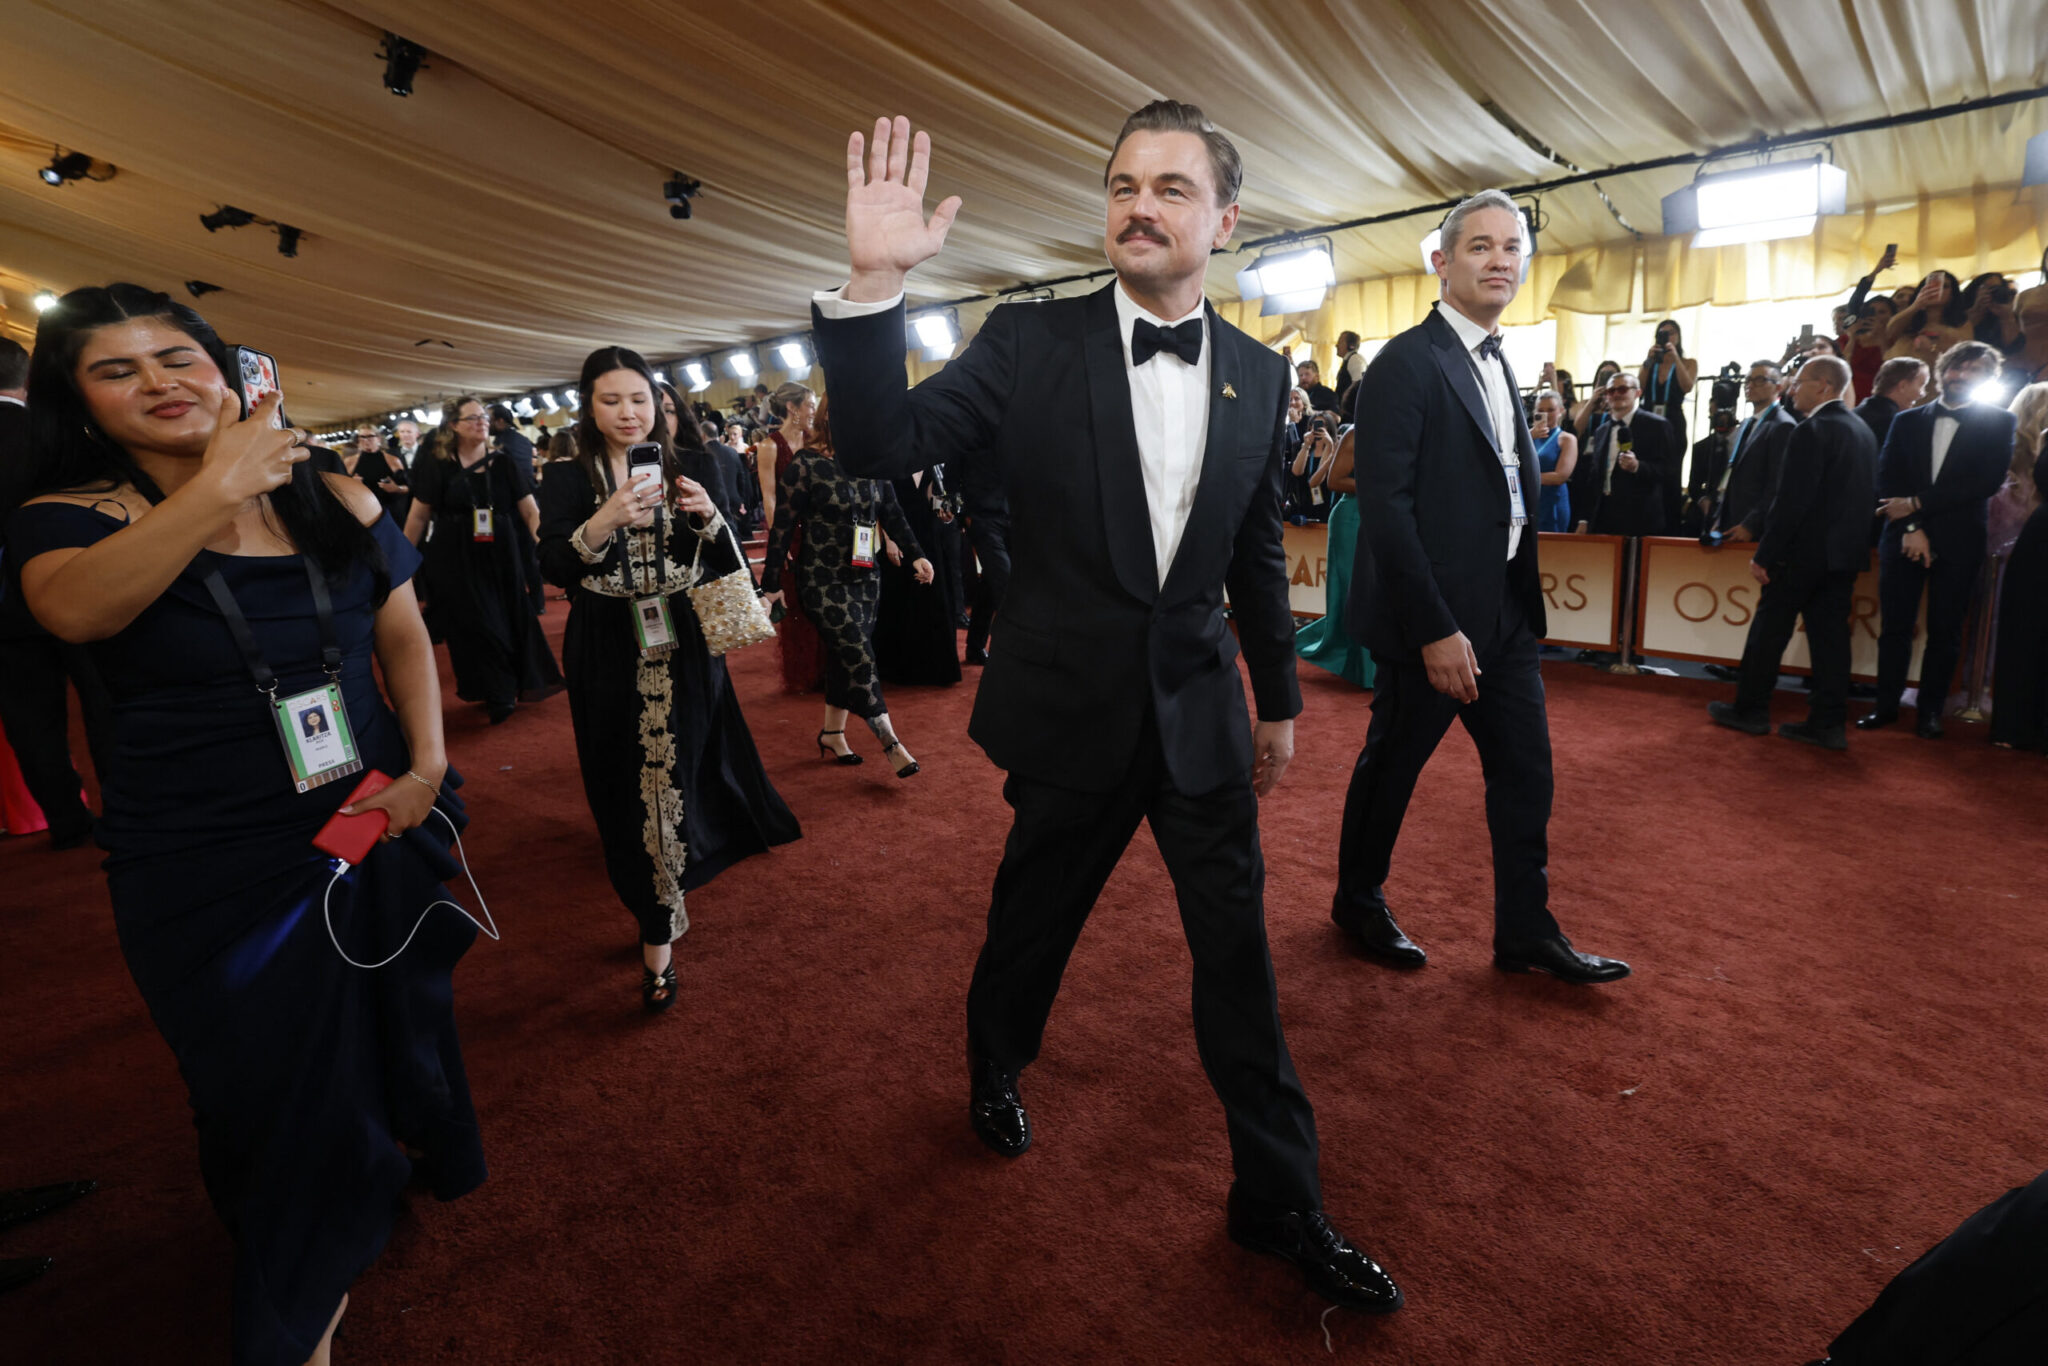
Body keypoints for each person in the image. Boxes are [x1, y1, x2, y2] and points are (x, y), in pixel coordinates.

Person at [810, 104, 1401, 1314]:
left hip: (1200, 716)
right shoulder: (1027, 340)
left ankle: (1276, 1197)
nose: (1139, 204)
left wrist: (1276, 698)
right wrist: (875, 287)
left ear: (1223, 222)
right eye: (1124, 184)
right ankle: (994, 1058)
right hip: (1066, 709)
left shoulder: (1259, 371)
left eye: (1171, 188)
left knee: (1238, 961)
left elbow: (1251, 552)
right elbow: (880, 442)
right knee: (1033, 926)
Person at [7, 283, 481, 1365]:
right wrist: (217, 482)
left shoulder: (330, 494)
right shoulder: (67, 518)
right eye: (116, 370)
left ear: (222, 368)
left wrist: (426, 765)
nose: (158, 382)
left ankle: (361, 1200)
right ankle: (297, 1306)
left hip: (369, 816)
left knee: (381, 1034)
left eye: (177, 357)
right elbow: (78, 610)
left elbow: (402, 632)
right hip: (205, 859)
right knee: (267, 1087)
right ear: (77, 401)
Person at [1335, 187, 1629, 988]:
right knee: (1393, 767)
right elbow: (1386, 509)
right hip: (1430, 622)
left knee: (1527, 774)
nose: (1501, 261)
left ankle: (1526, 929)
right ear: (1441, 261)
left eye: (1512, 248)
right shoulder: (1404, 363)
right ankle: (1356, 901)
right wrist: (1434, 628)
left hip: (1505, 616)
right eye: (1481, 246)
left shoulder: (1502, 360)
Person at [536, 347, 800, 1012]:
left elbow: (726, 559)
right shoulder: (567, 476)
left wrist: (710, 518)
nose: (628, 413)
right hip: (605, 639)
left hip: (684, 638)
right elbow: (554, 568)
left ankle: (662, 912)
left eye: (639, 399)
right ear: (588, 407)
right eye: (610, 400)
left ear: (658, 403)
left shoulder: (697, 463)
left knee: (679, 769)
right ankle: (655, 909)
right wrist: (604, 521)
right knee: (622, 779)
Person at [1707, 357, 1878, 750]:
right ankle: (1828, 723)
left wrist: (1765, 554)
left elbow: (1791, 502)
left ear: (1824, 386)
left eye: (1799, 381)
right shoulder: (1861, 430)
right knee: (1831, 642)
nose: (1791, 388)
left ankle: (1750, 710)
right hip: (1843, 557)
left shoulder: (1811, 430)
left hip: (1801, 555)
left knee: (1768, 633)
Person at [759, 395, 927, 777]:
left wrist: (917, 554)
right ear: (828, 418)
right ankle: (889, 740)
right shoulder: (805, 464)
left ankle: (832, 734)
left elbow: (892, 513)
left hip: (866, 577)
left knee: (845, 655)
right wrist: (771, 582)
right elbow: (782, 527)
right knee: (859, 654)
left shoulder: (874, 462)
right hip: (821, 579)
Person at [1860, 340, 2018, 738]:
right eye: (1955, 367)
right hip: (1903, 537)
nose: (1961, 376)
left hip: (1960, 541)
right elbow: (1887, 478)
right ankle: (1885, 706)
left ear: (1988, 378)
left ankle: (1930, 712)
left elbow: (1985, 483)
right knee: (1894, 627)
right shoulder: (1906, 420)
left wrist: (1916, 504)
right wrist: (1913, 529)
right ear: (1942, 371)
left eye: (1974, 370)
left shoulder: (2000, 422)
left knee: (1946, 632)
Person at [0, 335, 112, 849]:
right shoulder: (63, 434)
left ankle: (67, 821)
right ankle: (127, 809)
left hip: (6, 607)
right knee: (108, 703)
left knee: (31, 721)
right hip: (83, 583)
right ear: (25, 378)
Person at [402, 396, 562, 723]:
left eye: (484, 418)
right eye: (473, 418)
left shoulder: (504, 463)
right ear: (453, 426)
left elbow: (530, 511)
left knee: (507, 616)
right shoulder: (438, 463)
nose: (482, 423)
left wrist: (549, 546)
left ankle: (505, 684)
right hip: (453, 555)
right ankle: (498, 691)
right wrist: (401, 561)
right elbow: (419, 516)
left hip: (501, 552)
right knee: (475, 622)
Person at [753, 382, 827, 694]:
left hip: (820, 530)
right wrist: (778, 543)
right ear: (792, 408)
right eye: (810, 405)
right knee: (796, 603)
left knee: (823, 600)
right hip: (790, 532)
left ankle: (827, 669)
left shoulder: (817, 440)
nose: (814, 411)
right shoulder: (770, 446)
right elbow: (769, 497)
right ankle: (805, 672)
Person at [1293, 428, 1373, 687]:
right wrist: (1381, 488)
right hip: (1352, 518)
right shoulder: (1355, 434)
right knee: (1354, 592)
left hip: (1380, 517)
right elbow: (1334, 481)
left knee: (1373, 593)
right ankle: (1362, 670)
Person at [1990, 398, 2048, 750]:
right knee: (2025, 627)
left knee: (2025, 629)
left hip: (2039, 537)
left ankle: (2015, 727)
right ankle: (2019, 726)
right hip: (2040, 541)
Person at [873, 465, 963, 686]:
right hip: (900, 535)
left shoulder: (931, 464)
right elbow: (881, 505)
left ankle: (933, 668)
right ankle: (899, 667)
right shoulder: (891, 463)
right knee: (899, 599)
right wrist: (889, 540)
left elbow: (934, 500)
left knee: (934, 599)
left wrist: (947, 515)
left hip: (929, 535)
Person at [1571, 371, 1675, 536]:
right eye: (1611, 391)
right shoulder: (1601, 431)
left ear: (1637, 393)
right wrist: (1584, 519)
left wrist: (1638, 466)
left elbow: (1668, 470)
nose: (1616, 394)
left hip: (1640, 517)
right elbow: (1595, 477)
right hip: (1603, 516)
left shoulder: (1657, 425)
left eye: (1623, 389)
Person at [1704, 361, 1797, 543]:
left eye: (1760, 380)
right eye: (1748, 380)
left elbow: (1777, 485)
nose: (1751, 385)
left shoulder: (1782, 425)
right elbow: (1733, 473)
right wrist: (1720, 517)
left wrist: (1751, 525)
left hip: (1755, 527)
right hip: (1732, 519)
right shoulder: (1747, 422)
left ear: (1778, 387)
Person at [1854, 357, 1930, 450]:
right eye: (1921, 386)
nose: (1923, 394)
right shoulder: (1895, 424)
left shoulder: (1856, 412)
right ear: (1903, 386)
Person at [1529, 387, 1577, 533]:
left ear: (1561, 411)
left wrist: (1524, 478)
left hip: (1552, 501)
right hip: (1528, 501)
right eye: (1540, 410)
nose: (1545, 414)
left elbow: (1560, 476)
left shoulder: (1567, 439)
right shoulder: (1527, 436)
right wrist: (1528, 437)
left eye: (1551, 410)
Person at [1570, 358, 1620, 442]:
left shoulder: (1620, 403)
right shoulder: (1586, 403)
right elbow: (1577, 431)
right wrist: (1591, 403)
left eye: (1610, 376)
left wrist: (1612, 403)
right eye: (1603, 376)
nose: (1606, 380)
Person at [1332, 330, 1366, 413]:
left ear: (1351, 345)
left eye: (1340, 342)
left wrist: (1344, 401)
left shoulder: (1355, 359)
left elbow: (1358, 383)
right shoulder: (1349, 360)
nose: (1336, 345)